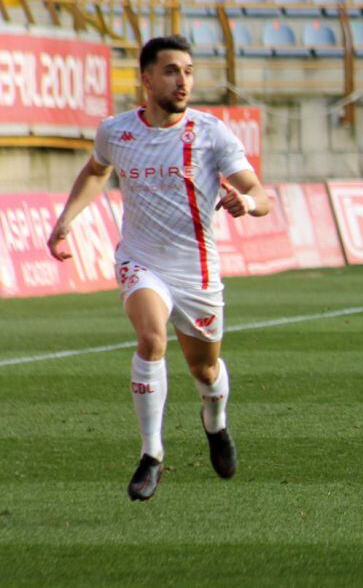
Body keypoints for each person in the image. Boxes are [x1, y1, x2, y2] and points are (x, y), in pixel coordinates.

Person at [47, 35, 271, 501]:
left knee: (204, 370)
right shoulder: (116, 131)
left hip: (196, 271)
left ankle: (216, 422)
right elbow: (95, 170)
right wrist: (66, 221)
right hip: (141, 260)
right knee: (151, 339)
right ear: (147, 79)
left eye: (188, 71)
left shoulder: (210, 133)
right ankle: (152, 455)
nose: (183, 80)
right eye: (172, 71)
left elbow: (260, 193)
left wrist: (245, 201)